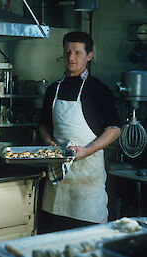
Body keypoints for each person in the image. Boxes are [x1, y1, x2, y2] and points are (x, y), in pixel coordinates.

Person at [38, 31, 121, 233]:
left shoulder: (97, 89)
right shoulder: (53, 89)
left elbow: (114, 129)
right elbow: (44, 126)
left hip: (87, 182)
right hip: (58, 182)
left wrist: (86, 150)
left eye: (77, 52)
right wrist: (49, 142)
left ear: (89, 56)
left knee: (86, 244)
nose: (71, 58)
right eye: (67, 52)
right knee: (54, 241)